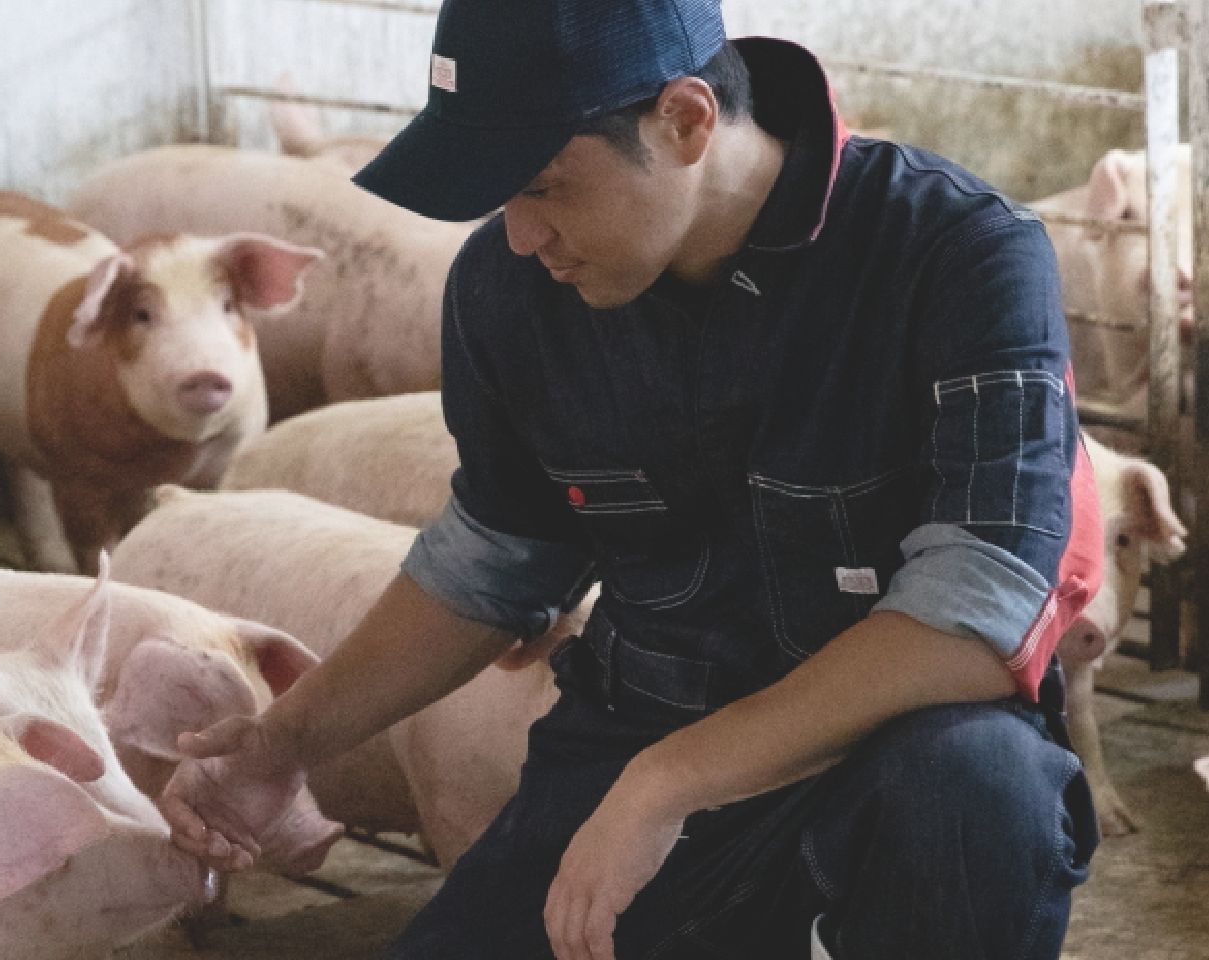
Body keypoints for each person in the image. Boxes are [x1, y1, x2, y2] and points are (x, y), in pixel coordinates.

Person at [158, 1, 1106, 958]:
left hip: (893, 762)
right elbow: (487, 563)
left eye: (543, 185)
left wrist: (670, 781)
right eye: (500, 196)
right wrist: (283, 743)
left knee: (974, 782)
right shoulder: (508, 289)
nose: (521, 235)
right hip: (635, 731)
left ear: (686, 121)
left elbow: (981, 613)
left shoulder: (957, 252)